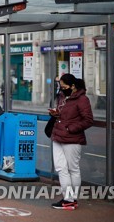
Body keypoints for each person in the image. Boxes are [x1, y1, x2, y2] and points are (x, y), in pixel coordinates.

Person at [48, 73, 93, 210]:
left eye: (64, 86)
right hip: (57, 136)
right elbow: (65, 114)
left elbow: (88, 120)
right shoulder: (62, 97)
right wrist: (56, 113)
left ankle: (72, 199)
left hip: (72, 138)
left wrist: (70, 128)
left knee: (73, 169)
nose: (61, 89)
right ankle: (68, 198)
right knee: (61, 168)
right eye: (60, 87)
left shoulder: (82, 99)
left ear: (73, 86)